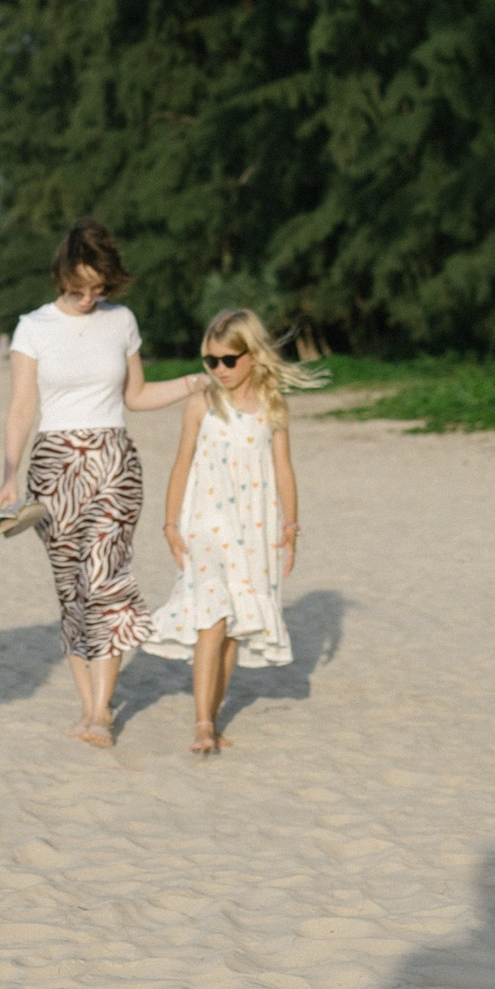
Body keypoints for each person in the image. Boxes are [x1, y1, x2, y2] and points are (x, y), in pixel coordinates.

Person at [0, 220, 200, 747]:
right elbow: (21, 407)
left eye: (99, 288)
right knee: (72, 589)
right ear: (61, 275)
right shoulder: (32, 327)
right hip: (53, 466)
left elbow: (138, 395)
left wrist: (197, 381)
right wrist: (10, 475)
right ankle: (88, 707)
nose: (89, 298)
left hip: (113, 462)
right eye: (78, 287)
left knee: (106, 578)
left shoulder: (121, 321)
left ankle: (103, 713)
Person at [141, 309, 322, 752]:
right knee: (212, 617)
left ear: (253, 355)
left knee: (234, 627)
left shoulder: (273, 405)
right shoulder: (201, 404)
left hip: (254, 528)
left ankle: (212, 717)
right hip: (203, 524)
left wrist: (292, 526)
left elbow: (284, 468)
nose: (218, 370)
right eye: (209, 361)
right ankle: (202, 724)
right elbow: (181, 463)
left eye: (228, 360)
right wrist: (169, 525)